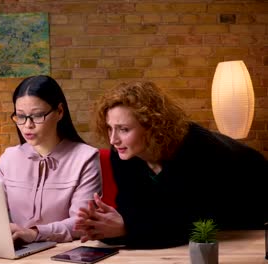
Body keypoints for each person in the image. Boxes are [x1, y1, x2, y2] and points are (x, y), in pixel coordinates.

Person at [75, 81, 268, 249]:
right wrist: (105, 226)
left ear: (152, 126)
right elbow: (132, 209)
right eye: (110, 128)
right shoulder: (123, 152)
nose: (113, 139)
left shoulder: (200, 149)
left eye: (124, 129)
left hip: (252, 212)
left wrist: (126, 228)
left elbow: (190, 223)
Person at [0, 75, 102, 243]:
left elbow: (82, 223)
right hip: (18, 250)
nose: (27, 125)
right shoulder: (9, 158)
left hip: (65, 253)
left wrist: (35, 234)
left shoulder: (85, 158)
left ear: (59, 112)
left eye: (37, 116)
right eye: (21, 116)